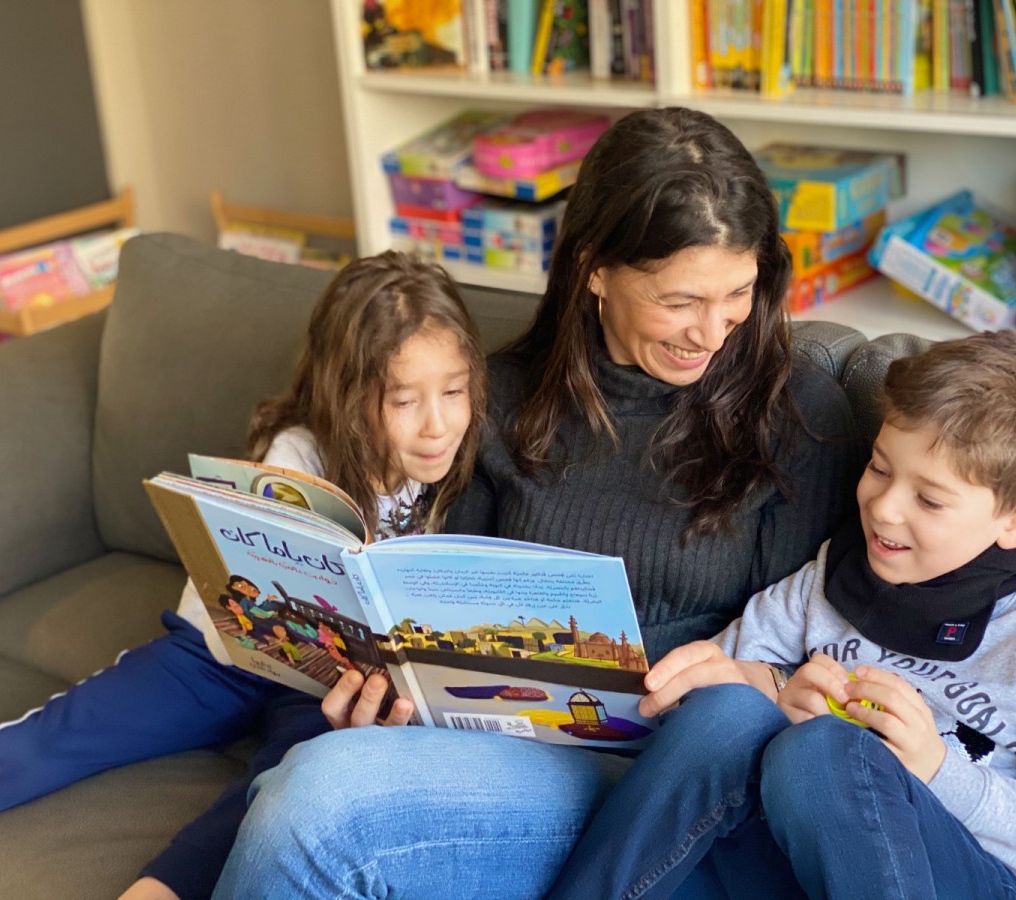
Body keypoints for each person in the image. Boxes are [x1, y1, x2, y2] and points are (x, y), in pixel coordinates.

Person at [213, 106, 864, 899]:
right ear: (593, 267)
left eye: (738, 293)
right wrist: (393, 695)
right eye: (680, 301)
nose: (715, 330)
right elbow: (438, 612)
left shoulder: (801, 415)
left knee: (318, 807)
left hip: (685, 769)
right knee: (309, 788)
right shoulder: (497, 402)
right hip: (513, 748)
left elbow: (833, 649)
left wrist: (754, 674)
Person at [547, 330, 1016, 900]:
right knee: (730, 710)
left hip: (975, 874)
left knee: (823, 751)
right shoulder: (837, 572)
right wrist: (772, 689)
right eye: (880, 468)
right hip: (801, 861)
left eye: (929, 499)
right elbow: (708, 692)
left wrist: (934, 768)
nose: (882, 509)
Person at [0, 250, 487, 900]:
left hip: (329, 686)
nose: (438, 424)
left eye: (454, 391)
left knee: (291, 784)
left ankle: (157, 889)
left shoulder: (463, 482)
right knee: (77, 727)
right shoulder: (299, 453)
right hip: (221, 651)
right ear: (348, 393)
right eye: (402, 400)